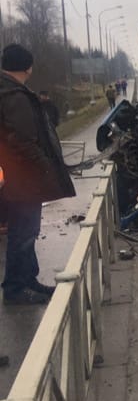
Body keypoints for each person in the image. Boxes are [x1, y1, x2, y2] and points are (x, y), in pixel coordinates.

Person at [0, 44, 77, 304]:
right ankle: (16, 288)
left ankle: (27, 281)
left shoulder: (8, 91)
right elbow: (23, 140)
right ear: (28, 67)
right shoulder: (15, 96)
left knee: (26, 231)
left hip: (18, 176)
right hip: (25, 178)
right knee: (23, 232)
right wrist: (44, 166)